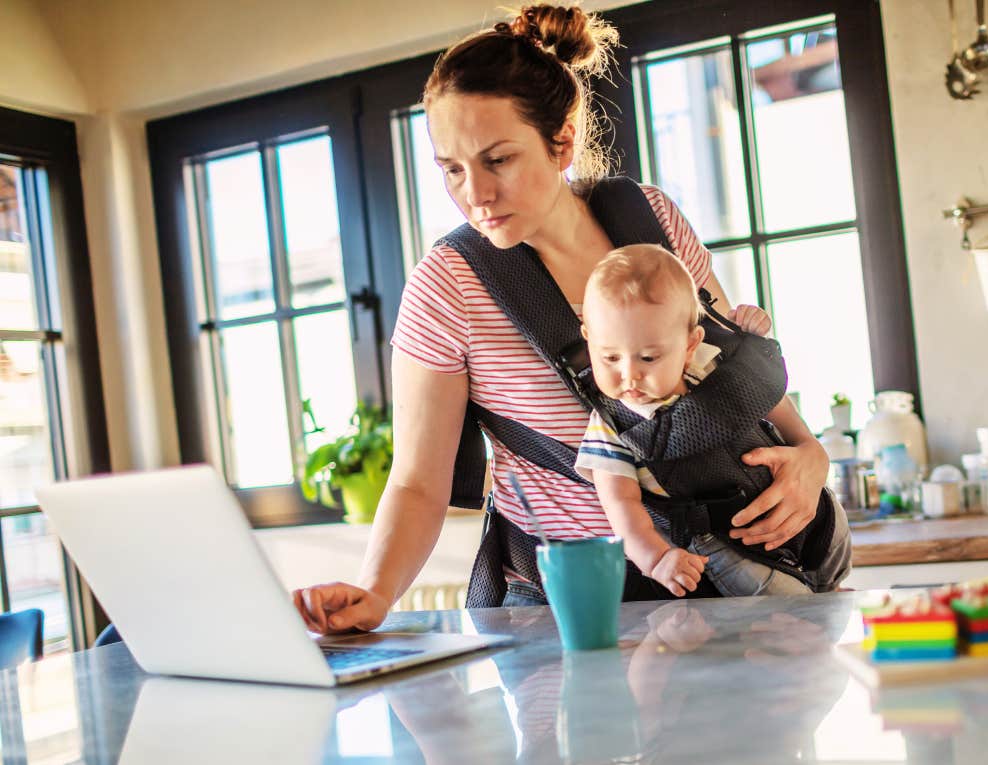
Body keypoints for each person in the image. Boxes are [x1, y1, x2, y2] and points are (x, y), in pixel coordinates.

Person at [293, 3, 849, 633]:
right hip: (582, 614)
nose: (474, 193)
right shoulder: (447, 286)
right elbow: (418, 483)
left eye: (497, 159)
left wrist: (810, 454)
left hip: (742, 588)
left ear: (560, 141)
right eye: (452, 168)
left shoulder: (652, 219)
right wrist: (375, 591)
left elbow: (726, 363)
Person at [574, 244, 846, 598]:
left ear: (690, 345)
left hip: (804, 506)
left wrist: (750, 334)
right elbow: (620, 505)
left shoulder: (709, 365)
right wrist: (656, 560)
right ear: (589, 341)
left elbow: (763, 383)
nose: (629, 375)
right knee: (788, 610)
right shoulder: (612, 425)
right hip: (724, 540)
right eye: (609, 357)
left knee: (835, 574)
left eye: (648, 357)